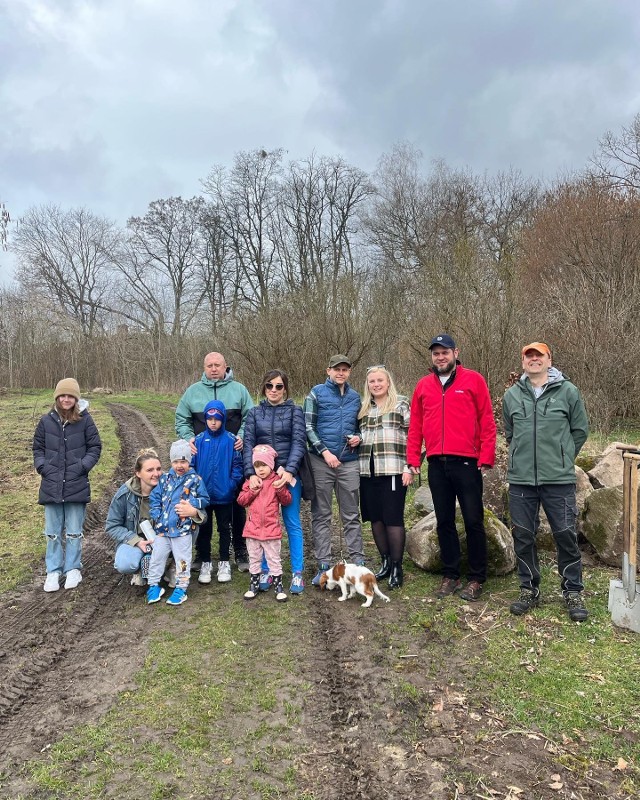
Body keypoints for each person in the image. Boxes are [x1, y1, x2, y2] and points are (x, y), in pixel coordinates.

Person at [503, 342, 590, 621]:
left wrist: (563, 458)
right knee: (524, 535)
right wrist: (519, 457)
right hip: (522, 480)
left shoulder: (568, 391)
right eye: (529, 357)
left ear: (549, 360)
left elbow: (580, 430)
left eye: (539, 356)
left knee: (565, 533)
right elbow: (510, 434)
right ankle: (529, 589)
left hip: (559, 479)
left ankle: (572, 590)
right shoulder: (512, 395)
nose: (534, 360)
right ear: (523, 362)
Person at [407, 335, 496, 602]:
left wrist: (486, 457)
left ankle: (477, 577)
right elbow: (416, 427)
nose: (440, 357)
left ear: (456, 352)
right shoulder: (423, 386)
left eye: (445, 352)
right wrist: (413, 459)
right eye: (436, 353)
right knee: (444, 521)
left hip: (467, 463)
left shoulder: (474, 380)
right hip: (436, 463)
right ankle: (451, 573)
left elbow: (487, 420)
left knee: (473, 521)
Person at [175, 351, 254, 572]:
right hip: (202, 459)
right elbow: (181, 418)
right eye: (209, 365)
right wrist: (188, 438)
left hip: (231, 457)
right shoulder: (193, 392)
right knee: (201, 507)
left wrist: (242, 436)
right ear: (204, 367)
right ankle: (202, 553)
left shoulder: (239, 390)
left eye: (217, 365)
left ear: (225, 366)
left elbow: (251, 416)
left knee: (236, 506)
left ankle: (239, 549)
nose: (213, 369)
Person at [33, 378, 102, 592]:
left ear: (76, 398)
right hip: (51, 484)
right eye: (62, 395)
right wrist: (43, 467)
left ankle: (73, 568)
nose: (66, 399)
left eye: (70, 396)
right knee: (52, 532)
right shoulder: (46, 421)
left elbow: (95, 446)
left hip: (76, 483)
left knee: (73, 531)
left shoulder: (85, 421)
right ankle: (53, 570)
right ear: (56, 397)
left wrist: (83, 466)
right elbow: (38, 448)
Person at [242, 370, 307, 594]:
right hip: (262, 478)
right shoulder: (253, 413)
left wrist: (289, 471)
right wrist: (251, 473)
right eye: (269, 386)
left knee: (291, 522)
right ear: (263, 388)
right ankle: (266, 569)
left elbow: (299, 442)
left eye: (279, 386)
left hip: (288, 476)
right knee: (261, 521)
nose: (274, 390)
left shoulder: (295, 411)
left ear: (285, 389)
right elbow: (248, 444)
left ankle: (297, 572)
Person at [303, 354, 365, 585]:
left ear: (349, 372)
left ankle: (358, 563)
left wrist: (358, 438)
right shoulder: (316, 393)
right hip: (321, 462)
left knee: (351, 514)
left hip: (348, 462)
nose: (341, 373)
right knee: (322, 514)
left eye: (345, 370)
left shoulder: (355, 397)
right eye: (336, 369)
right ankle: (323, 566)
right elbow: (307, 426)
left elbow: (361, 426)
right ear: (328, 370)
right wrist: (325, 452)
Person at [106, 448, 206, 585]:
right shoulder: (125, 494)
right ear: (138, 473)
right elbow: (112, 525)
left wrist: (194, 512)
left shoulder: (173, 485)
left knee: (192, 526)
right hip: (137, 541)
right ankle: (141, 570)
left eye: (158, 469)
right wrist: (135, 540)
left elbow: (203, 516)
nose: (156, 474)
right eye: (149, 470)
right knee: (125, 563)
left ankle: (173, 566)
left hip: (168, 537)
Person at [358, 366, 413, 589]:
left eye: (380, 380)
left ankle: (398, 566)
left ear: (388, 382)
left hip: (393, 468)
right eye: (372, 381)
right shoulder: (363, 408)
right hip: (367, 470)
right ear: (367, 385)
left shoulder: (401, 403)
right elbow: (361, 435)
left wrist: (410, 466)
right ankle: (386, 562)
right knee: (376, 518)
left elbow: (415, 434)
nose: (376, 384)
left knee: (393, 518)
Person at [146, 440, 210, 606]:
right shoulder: (165, 479)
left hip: (182, 531)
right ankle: (153, 585)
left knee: (183, 560)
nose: (179, 465)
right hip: (162, 530)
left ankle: (181, 588)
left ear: (189, 461)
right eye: (175, 461)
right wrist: (156, 514)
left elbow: (205, 499)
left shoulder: (195, 480)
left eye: (183, 461)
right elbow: (154, 497)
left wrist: (192, 505)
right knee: (156, 558)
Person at [192, 400, 244, 584]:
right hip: (203, 498)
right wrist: (195, 487)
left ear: (223, 419)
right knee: (204, 530)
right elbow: (192, 467)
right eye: (210, 418)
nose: (213, 422)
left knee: (224, 529)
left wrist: (231, 484)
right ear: (205, 419)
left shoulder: (231, 440)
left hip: (224, 495)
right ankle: (205, 562)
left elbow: (238, 466)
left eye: (217, 419)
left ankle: (224, 561)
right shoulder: (198, 441)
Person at [238, 445, 292, 602]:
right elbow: (241, 500)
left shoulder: (277, 480)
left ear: (271, 465)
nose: (260, 469)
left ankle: (278, 588)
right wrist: (252, 491)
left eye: (264, 465)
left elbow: (287, 500)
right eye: (257, 466)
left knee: (274, 559)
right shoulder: (251, 481)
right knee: (254, 559)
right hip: (252, 530)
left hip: (271, 530)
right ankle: (253, 585)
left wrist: (281, 489)